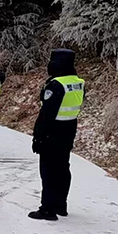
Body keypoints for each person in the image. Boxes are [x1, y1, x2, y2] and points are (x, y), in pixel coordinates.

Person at [30, 49, 85, 221]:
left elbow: (46, 114)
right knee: (62, 168)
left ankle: (47, 209)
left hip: (52, 131)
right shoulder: (78, 82)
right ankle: (61, 204)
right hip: (69, 128)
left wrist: (38, 136)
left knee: (48, 171)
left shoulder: (55, 85)